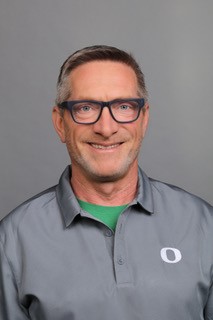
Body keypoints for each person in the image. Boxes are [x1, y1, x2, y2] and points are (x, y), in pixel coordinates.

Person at [0, 45, 212, 320]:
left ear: (144, 118)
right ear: (60, 123)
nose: (106, 127)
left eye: (123, 107)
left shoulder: (203, 224)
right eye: (85, 107)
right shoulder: (12, 240)